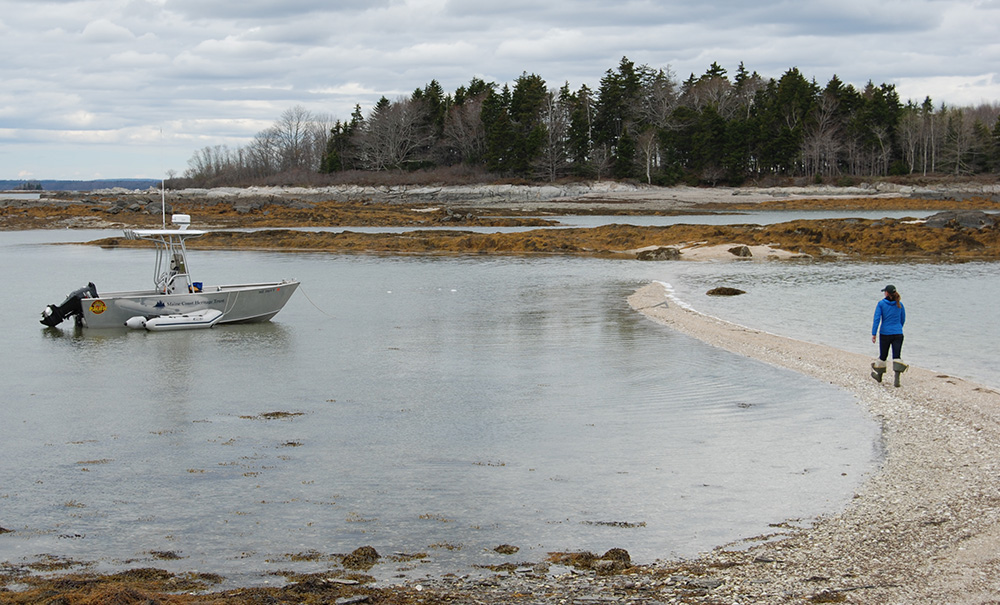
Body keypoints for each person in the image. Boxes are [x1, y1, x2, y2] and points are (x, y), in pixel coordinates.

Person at [871, 284, 907, 387]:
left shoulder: (881, 304)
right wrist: (898, 328)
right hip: (898, 333)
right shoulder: (900, 304)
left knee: (883, 356)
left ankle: (879, 376)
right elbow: (903, 319)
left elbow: (877, 319)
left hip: (885, 333)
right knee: (897, 356)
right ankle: (896, 379)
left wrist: (874, 333)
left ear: (886, 293)